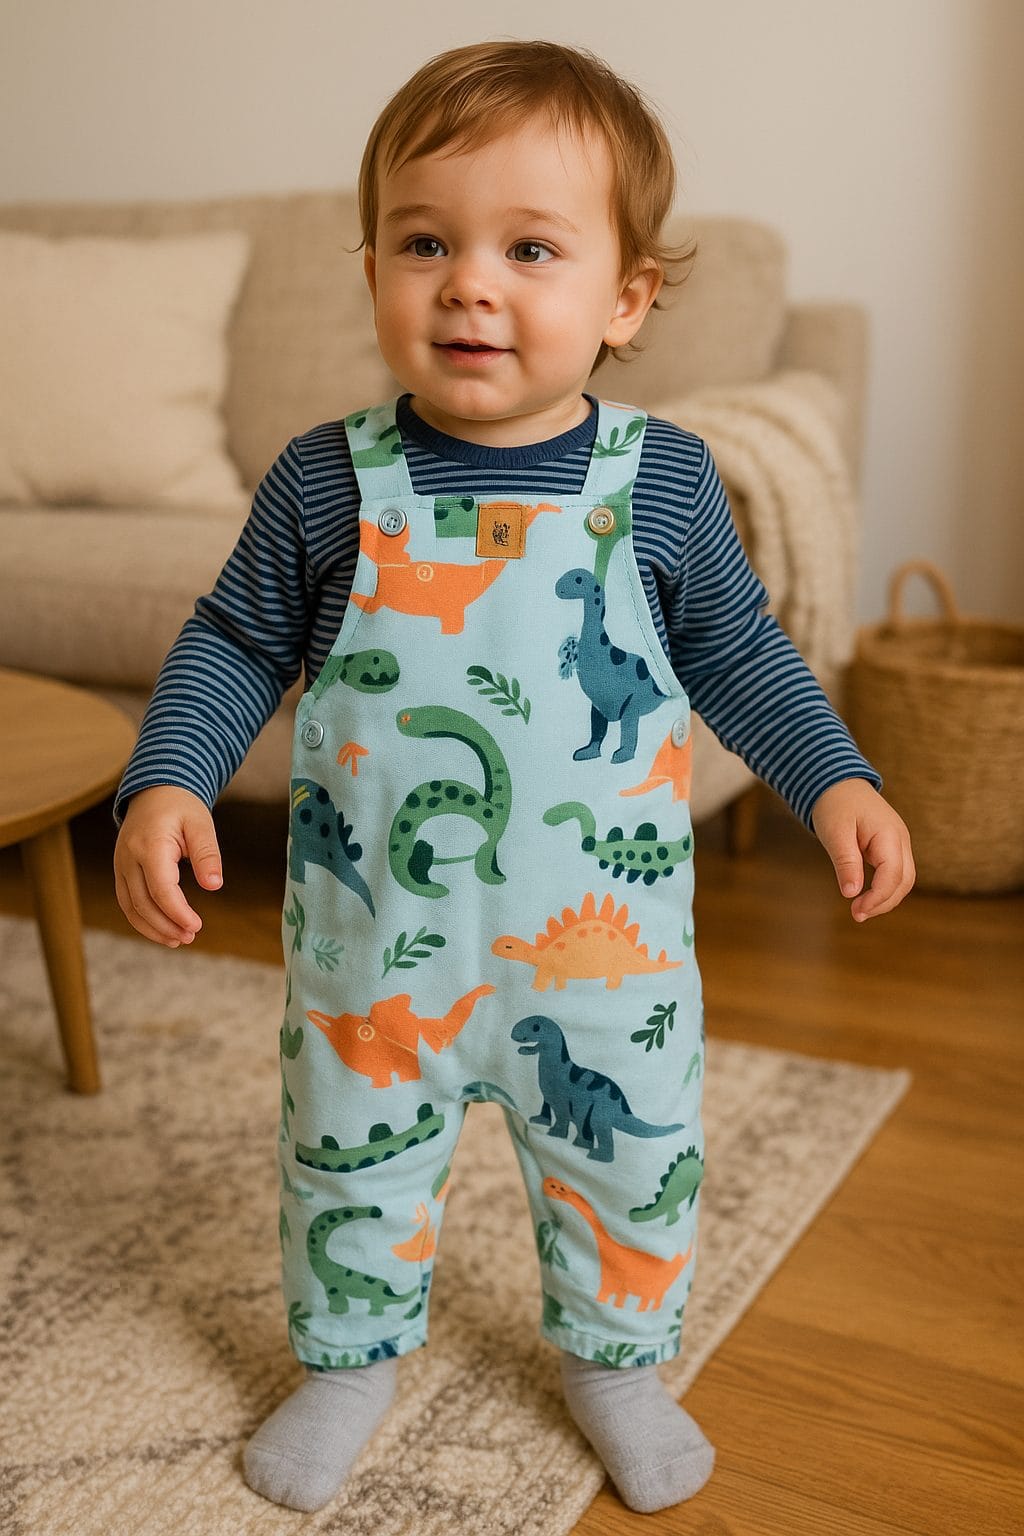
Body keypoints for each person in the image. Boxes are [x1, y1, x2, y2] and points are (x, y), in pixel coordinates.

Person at [113, 39, 915, 1516]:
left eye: (529, 250)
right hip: (373, 958)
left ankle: (618, 1360)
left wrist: (836, 782)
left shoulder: (663, 484)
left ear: (626, 299)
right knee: (346, 1162)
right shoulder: (324, 479)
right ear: (371, 268)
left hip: (604, 973)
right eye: (425, 243)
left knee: (632, 1166)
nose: (469, 286)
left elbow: (742, 653)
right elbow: (234, 641)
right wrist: (167, 777)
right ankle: (348, 1357)